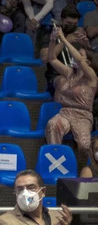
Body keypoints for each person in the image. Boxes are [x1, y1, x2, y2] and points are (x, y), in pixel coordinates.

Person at [45, 25, 98, 166]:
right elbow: (51, 58)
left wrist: (63, 38)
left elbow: (80, 61)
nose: (75, 57)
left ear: (88, 62)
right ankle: (54, 163)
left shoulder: (91, 77)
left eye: (80, 54)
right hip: (66, 112)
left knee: (84, 145)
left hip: (83, 115)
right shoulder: (69, 73)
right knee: (52, 124)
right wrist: (53, 40)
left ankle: (83, 169)